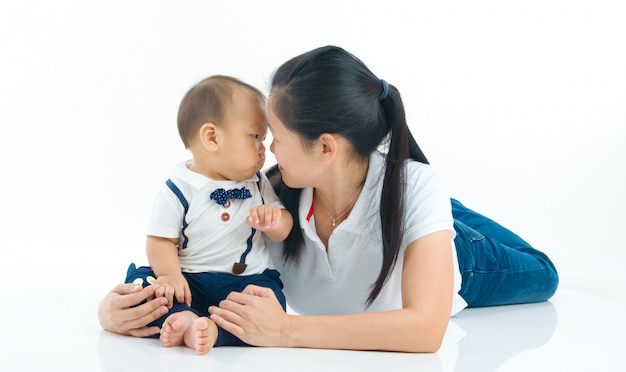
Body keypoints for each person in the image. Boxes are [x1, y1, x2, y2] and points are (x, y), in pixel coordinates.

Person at [98, 46, 558, 353]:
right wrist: (116, 311)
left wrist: (285, 330)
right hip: (384, 196)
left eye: (274, 137)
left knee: (544, 274)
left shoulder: (418, 187)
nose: (267, 151)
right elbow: (192, 258)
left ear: (325, 147)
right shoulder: (267, 199)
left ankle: (442, 221)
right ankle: (432, 215)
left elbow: (425, 330)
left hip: (460, 257)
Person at [120, 75, 293, 354]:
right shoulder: (179, 189)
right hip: (189, 280)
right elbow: (160, 240)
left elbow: (285, 226)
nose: (264, 149)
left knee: (271, 301)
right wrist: (170, 276)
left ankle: (213, 331)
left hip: (245, 281)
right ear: (212, 137)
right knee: (145, 285)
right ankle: (184, 317)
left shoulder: (258, 183)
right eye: (256, 137)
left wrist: (274, 220)